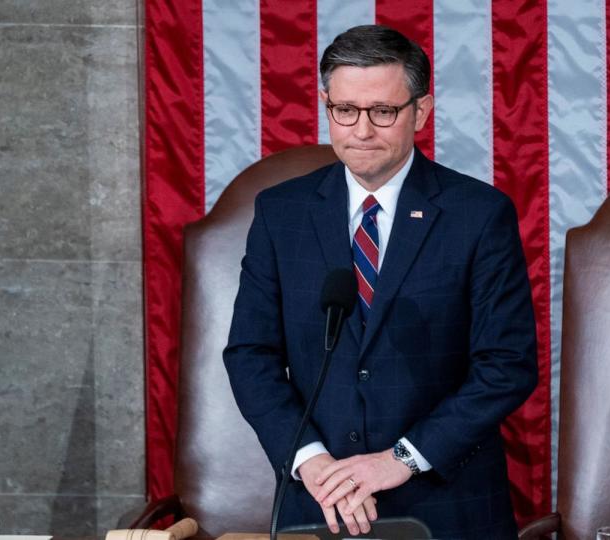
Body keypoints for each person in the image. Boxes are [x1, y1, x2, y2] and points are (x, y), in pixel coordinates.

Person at [223, 24, 537, 539]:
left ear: (421, 111)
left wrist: (402, 459)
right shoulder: (282, 214)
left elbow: (507, 366)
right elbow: (250, 355)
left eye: (383, 112)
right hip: (321, 500)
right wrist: (311, 460)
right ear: (326, 105)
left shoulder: (477, 215)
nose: (361, 130)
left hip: (445, 502)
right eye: (344, 110)